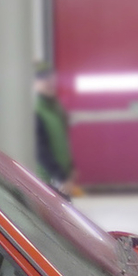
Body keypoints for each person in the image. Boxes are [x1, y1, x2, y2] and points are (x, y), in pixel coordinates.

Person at [33, 64, 82, 196]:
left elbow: (63, 142)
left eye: (50, 77)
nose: (48, 82)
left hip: (62, 178)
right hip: (48, 180)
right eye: (42, 78)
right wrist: (61, 177)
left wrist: (71, 168)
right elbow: (40, 150)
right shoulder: (36, 111)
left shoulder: (56, 108)